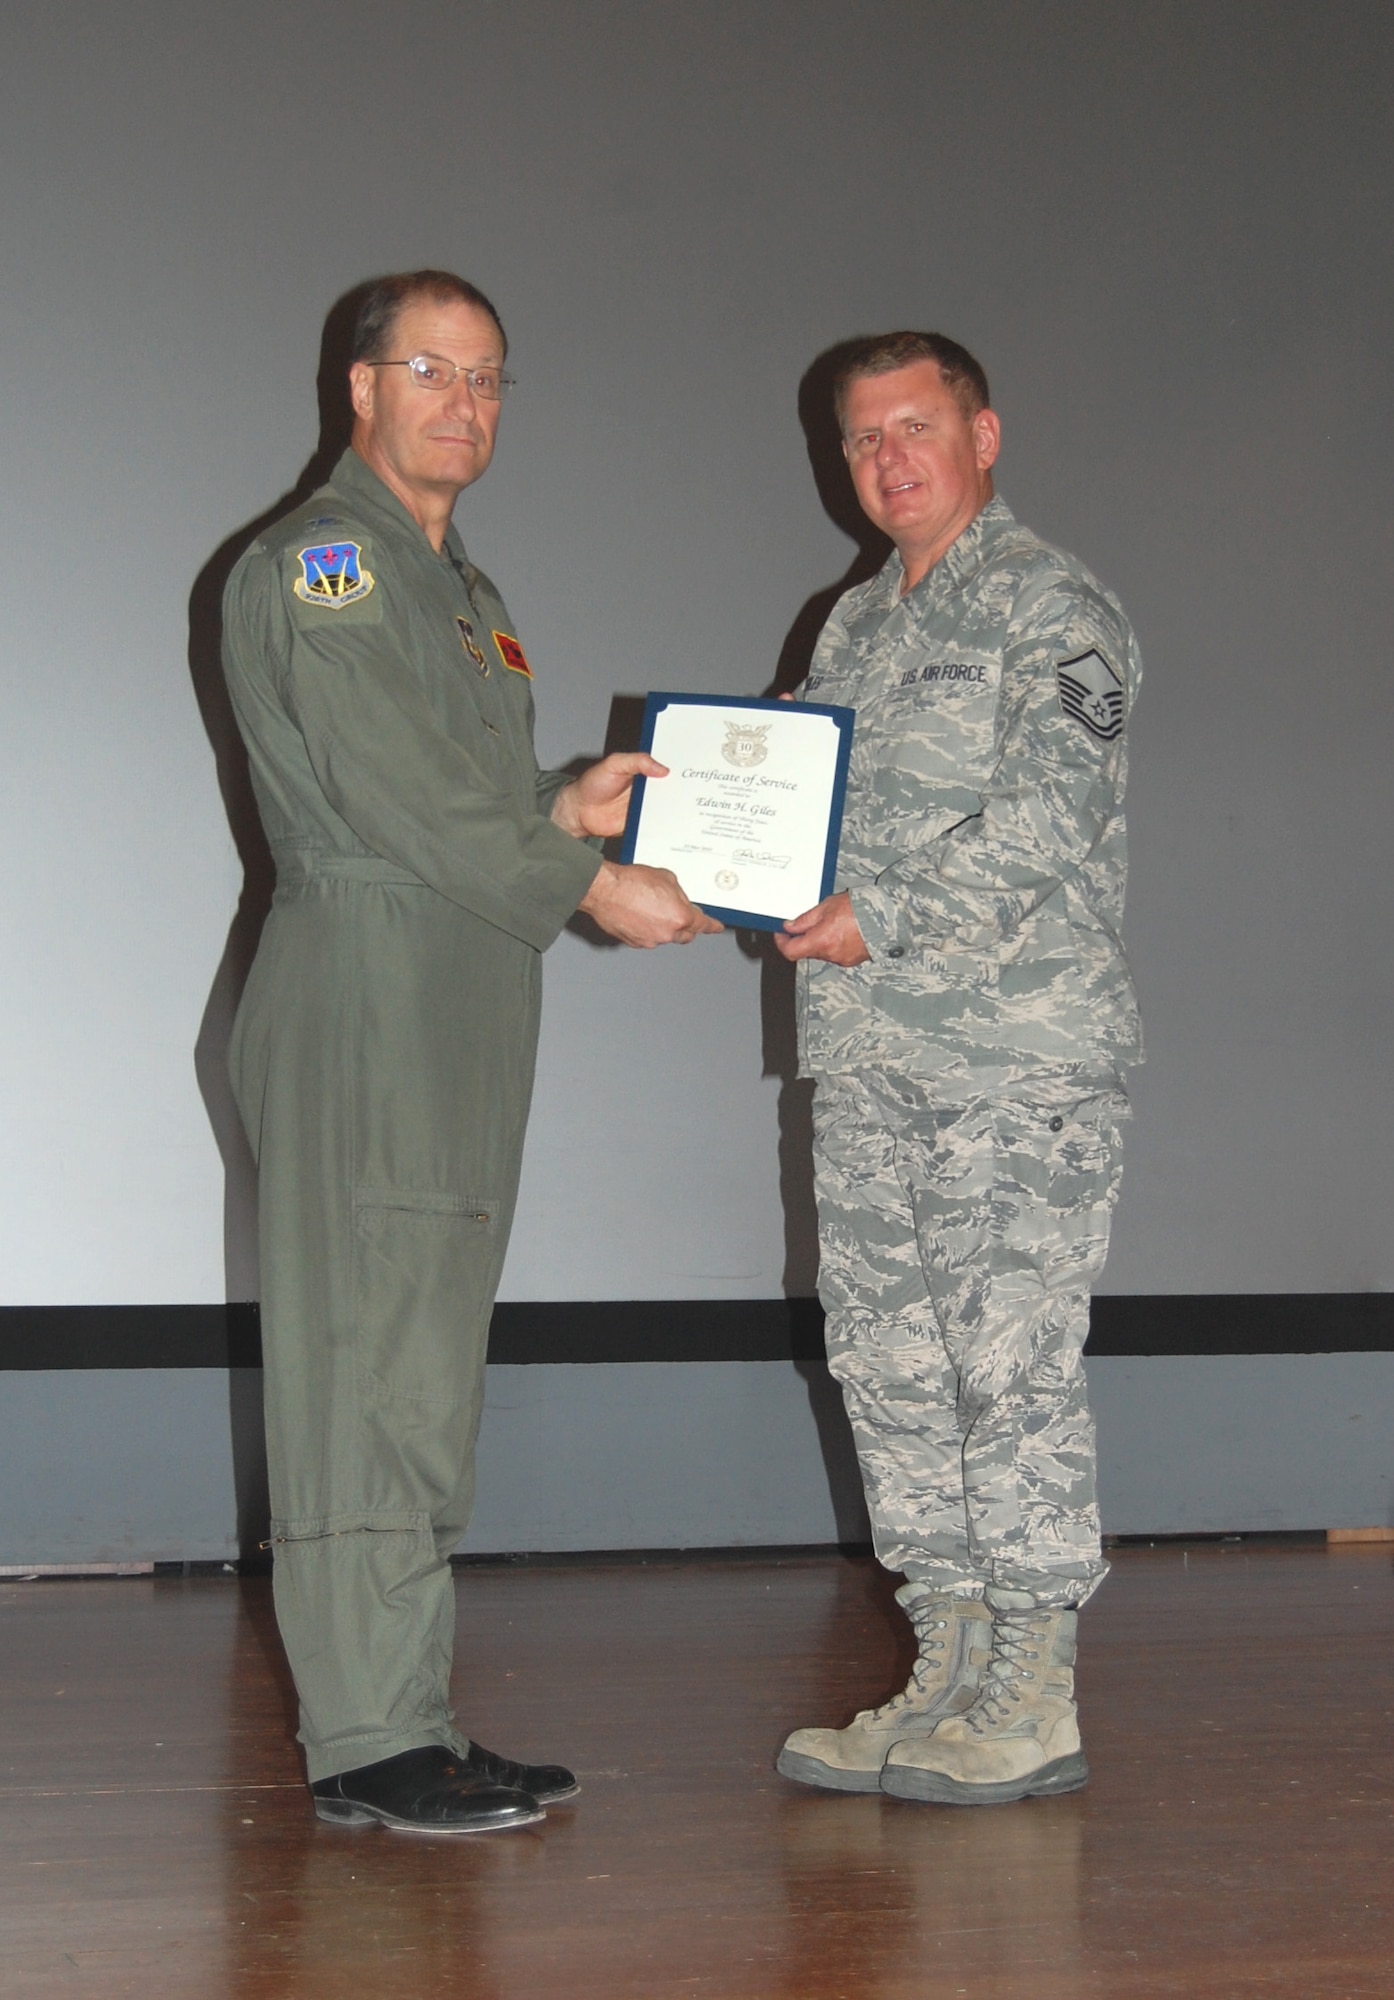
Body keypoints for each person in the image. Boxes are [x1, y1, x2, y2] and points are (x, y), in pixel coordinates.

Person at [221, 270, 719, 1836]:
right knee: (364, 1362)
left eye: (490, 377)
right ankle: (368, 1734)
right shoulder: (323, 565)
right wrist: (584, 879)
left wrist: (566, 803)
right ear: (358, 387)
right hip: (370, 990)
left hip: (454, 994)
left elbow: (463, 794)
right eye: (428, 369)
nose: (463, 402)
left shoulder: (461, 595)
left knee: (420, 1365)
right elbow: (395, 796)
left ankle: (403, 1714)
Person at [774, 332, 1141, 1806]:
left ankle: (1033, 1687)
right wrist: (703, 855)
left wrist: (888, 916)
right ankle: (946, 1663)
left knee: (1005, 1366)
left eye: (913, 427)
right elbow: (785, 804)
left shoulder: (1052, 607)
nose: (887, 459)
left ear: (983, 435)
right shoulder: (849, 628)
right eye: (862, 440)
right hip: (866, 1063)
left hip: (1013, 1062)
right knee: (891, 1368)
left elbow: (1049, 823)